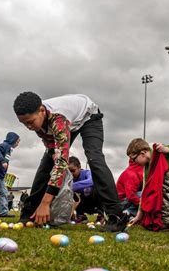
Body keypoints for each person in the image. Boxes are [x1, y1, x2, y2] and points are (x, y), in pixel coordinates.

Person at [13, 93, 128, 232]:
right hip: (69, 123)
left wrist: (45, 203)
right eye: (24, 123)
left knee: (94, 159)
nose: (28, 127)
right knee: (46, 163)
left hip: (88, 116)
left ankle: (116, 215)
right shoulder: (38, 119)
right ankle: (28, 214)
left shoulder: (57, 119)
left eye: (30, 122)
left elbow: (62, 162)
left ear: (42, 111)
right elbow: (51, 148)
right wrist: (53, 154)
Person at [68, 156, 101, 221]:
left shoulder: (87, 173)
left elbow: (92, 181)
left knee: (94, 188)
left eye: (72, 171)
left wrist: (71, 186)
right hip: (80, 206)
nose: (71, 174)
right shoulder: (68, 179)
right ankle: (79, 215)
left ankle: (99, 214)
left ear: (79, 167)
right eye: (68, 172)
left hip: (92, 202)